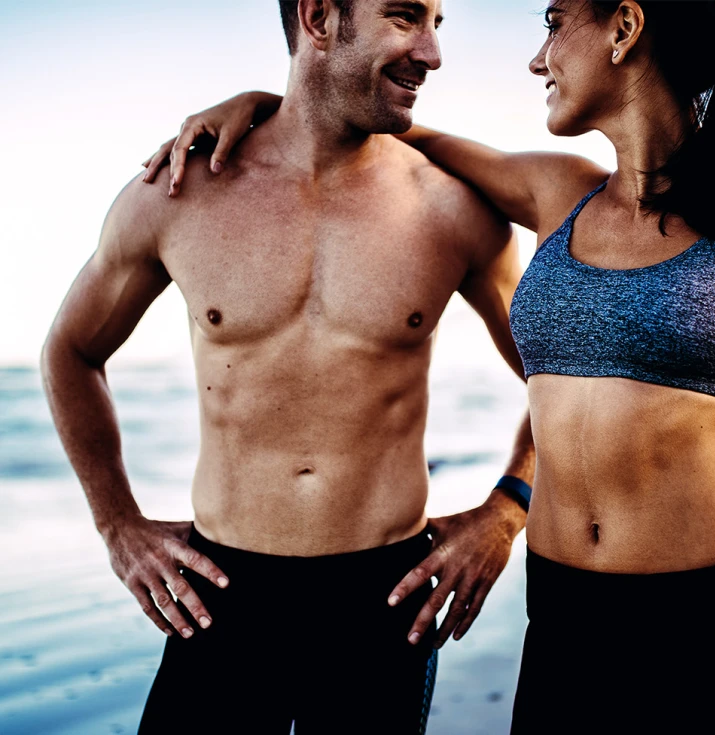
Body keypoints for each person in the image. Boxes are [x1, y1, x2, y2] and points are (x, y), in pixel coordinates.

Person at [150, 0, 715, 732]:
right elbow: (387, 125)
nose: (537, 56)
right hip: (563, 634)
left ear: (624, 26)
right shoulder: (559, 191)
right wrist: (270, 101)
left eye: (554, 23)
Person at [41, 0, 536, 732]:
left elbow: (568, 375)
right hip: (220, 592)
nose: (431, 53)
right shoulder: (180, 191)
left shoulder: (454, 209)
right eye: (405, 17)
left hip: (387, 597)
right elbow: (71, 350)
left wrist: (507, 509)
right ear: (317, 17)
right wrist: (118, 525)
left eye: (438, 22)